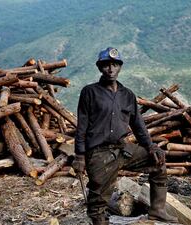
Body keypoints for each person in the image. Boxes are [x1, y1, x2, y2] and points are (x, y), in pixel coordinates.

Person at [72, 47, 178, 225]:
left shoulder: (127, 95)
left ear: (120, 67)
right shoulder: (89, 92)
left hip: (123, 149)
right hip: (99, 153)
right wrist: (79, 156)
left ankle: (157, 210)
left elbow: (138, 124)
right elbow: (81, 126)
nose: (111, 69)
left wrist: (151, 146)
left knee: (158, 161)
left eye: (115, 65)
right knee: (97, 202)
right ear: (100, 68)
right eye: (106, 65)